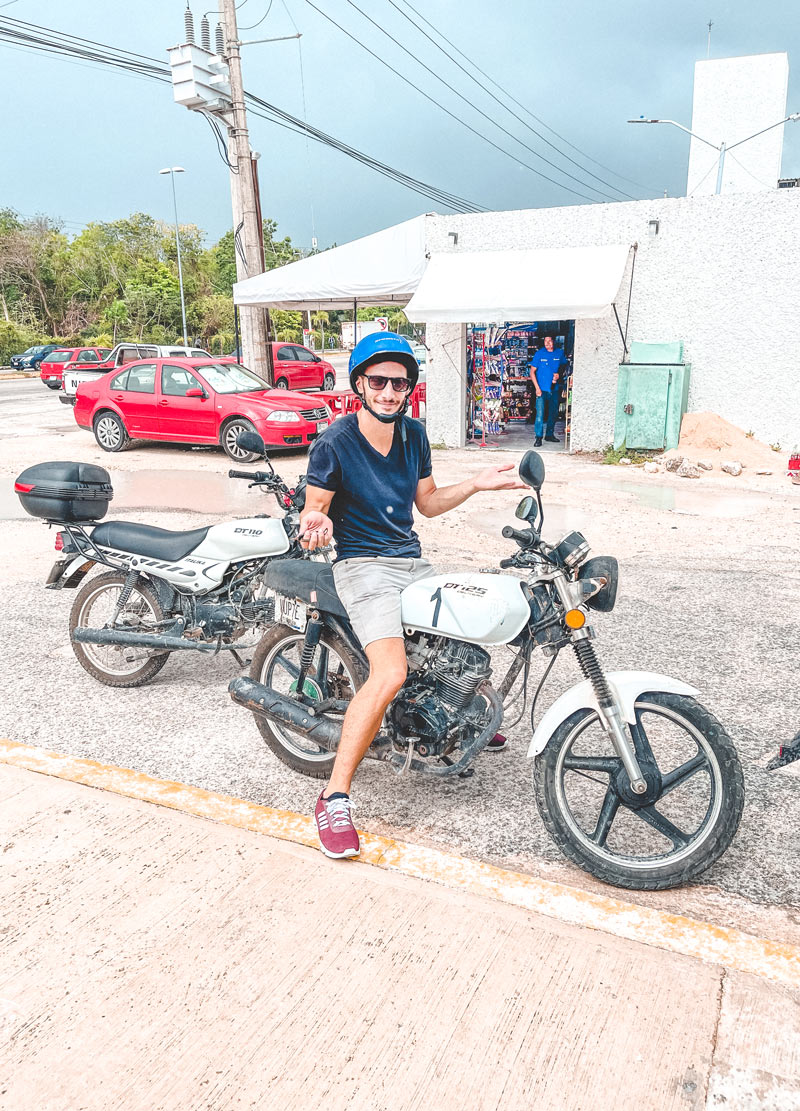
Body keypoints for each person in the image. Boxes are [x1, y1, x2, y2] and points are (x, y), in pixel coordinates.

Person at [300, 332, 528, 860]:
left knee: (465, 635)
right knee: (391, 672)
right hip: (362, 566)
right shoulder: (335, 442)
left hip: (410, 559)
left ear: (409, 388)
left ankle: (446, 717)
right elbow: (316, 507)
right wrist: (316, 520)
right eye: (377, 381)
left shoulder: (414, 436)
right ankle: (334, 797)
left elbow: (425, 502)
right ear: (360, 384)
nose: (387, 391)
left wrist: (475, 484)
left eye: (397, 383)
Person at [529, 335, 568, 446]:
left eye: (549, 341)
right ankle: (538, 437)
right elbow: (532, 372)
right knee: (540, 414)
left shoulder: (559, 353)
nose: (547, 343)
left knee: (553, 413)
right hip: (541, 390)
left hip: (554, 389)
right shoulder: (539, 354)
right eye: (545, 341)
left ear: (553, 341)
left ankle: (549, 435)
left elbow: (564, 367)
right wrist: (537, 388)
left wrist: (559, 375)